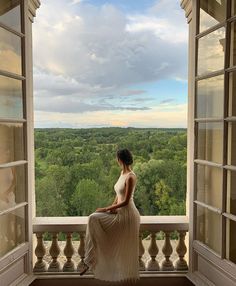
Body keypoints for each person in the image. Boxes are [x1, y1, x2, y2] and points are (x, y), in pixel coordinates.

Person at [79, 148, 140, 283]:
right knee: (93, 218)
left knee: (93, 218)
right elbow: (117, 196)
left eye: (117, 158)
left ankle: (89, 261)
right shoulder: (122, 173)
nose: (116, 160)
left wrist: (106, 208)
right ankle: (90, 260)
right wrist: (110, 209)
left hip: (127, 214)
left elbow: (125, 201)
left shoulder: (131, 176)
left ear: (120, 159)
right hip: (118, 211)